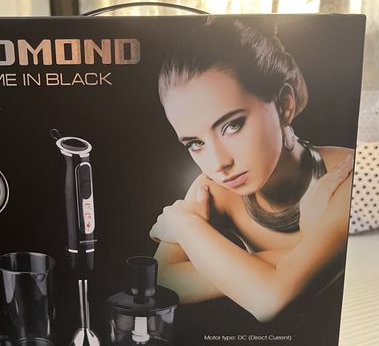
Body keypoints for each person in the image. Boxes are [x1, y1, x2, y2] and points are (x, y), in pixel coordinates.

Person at [150, 18, 354, 322]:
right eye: (195, 143)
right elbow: (159, 284)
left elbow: (269, 301)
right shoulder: (213, 190)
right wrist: (300, 254)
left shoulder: (348, 179)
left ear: (284, 105)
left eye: (232, 126)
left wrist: (185, 226)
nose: (218, 163)